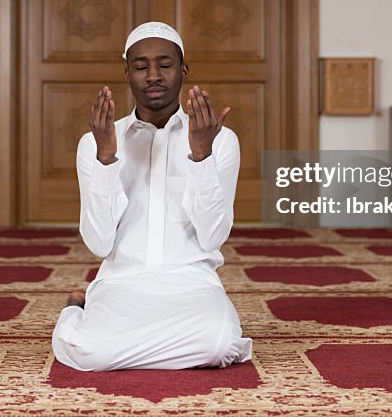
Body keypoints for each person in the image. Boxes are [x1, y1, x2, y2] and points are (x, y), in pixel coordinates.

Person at [51, 21, 253, 371]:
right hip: (122, 283)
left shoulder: (220, 140)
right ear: (127, 73)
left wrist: (201, 156)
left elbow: (212, 237)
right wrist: (105, 159)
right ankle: (74, 308)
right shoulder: (96, 142)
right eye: (141, 66)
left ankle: (124, 340)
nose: (153, 75)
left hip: (191, 282)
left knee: (220, 346)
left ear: (184, 70)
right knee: (89, 353)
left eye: (165, 64)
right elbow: (99, 244)